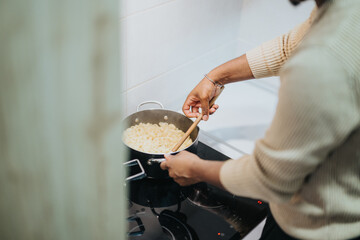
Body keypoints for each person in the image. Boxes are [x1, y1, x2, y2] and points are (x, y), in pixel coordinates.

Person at [160, 0, 360, 239]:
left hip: (321, 228)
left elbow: (272, 178)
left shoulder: (322, 60)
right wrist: (215, 78)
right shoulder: (344, 9)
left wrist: (195, 169)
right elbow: (290, 47)